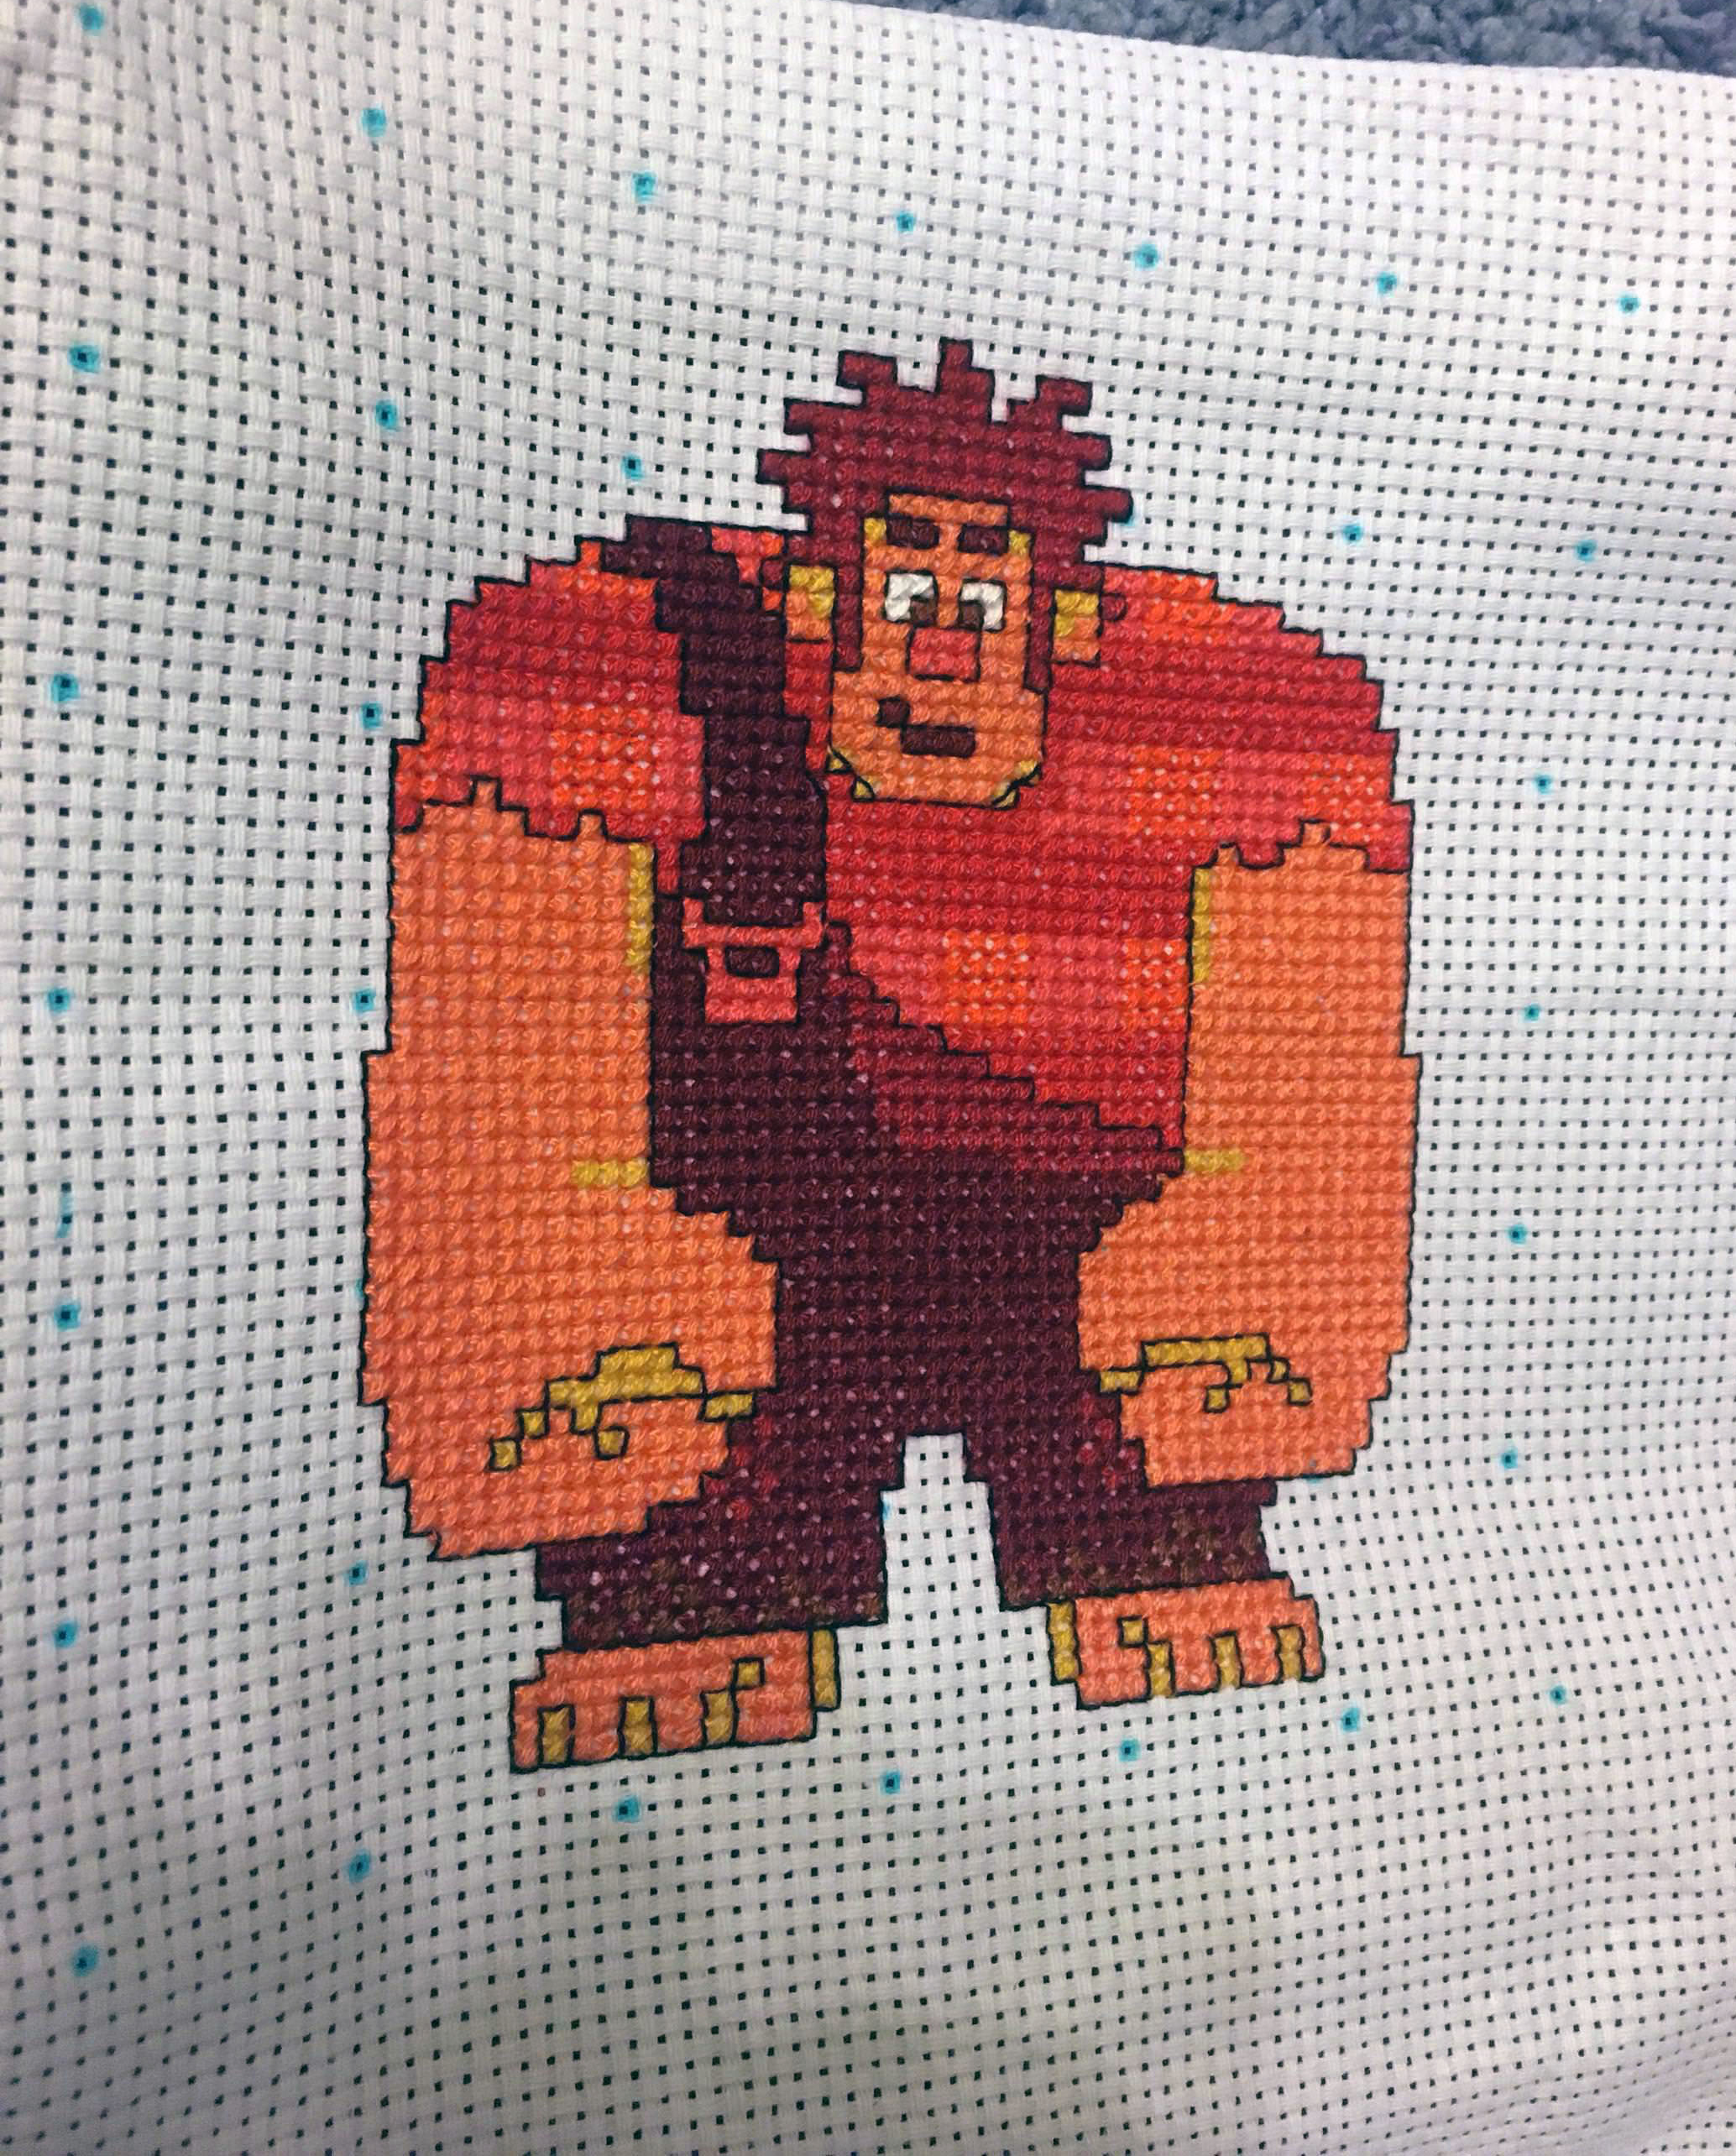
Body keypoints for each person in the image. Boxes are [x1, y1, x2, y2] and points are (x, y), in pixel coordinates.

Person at [363, 341, 1417, 1767]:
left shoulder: (1242, 719)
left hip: (1070, 1216)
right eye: (908, 595)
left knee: (1098, 1366)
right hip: (776, 1199)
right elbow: (499, 1052)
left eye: (981, 602)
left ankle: (1154, 1535)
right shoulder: (639, 673)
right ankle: (677, 1578)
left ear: (1058, 618)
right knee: (754, 1359)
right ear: (823, 597)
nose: (941, 648)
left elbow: (1313, 1069)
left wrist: (1229, 1307)